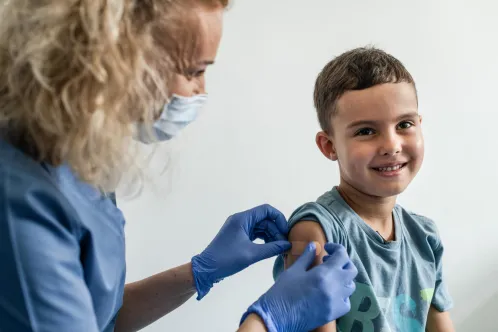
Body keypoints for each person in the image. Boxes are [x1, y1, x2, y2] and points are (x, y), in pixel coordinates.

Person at [0, 1, 358, 332]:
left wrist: (199, 272)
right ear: (113, 59)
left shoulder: (73, 158)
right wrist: (267, 320)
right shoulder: (21, 201)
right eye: (193, 71)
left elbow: (99, 318)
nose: (201, 90)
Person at [272, 47, 455, 331]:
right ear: (329, 146)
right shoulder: (317, 231)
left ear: (420, 126)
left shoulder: (426, 238)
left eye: (404, 124)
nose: (392, 145)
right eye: (366, 131)